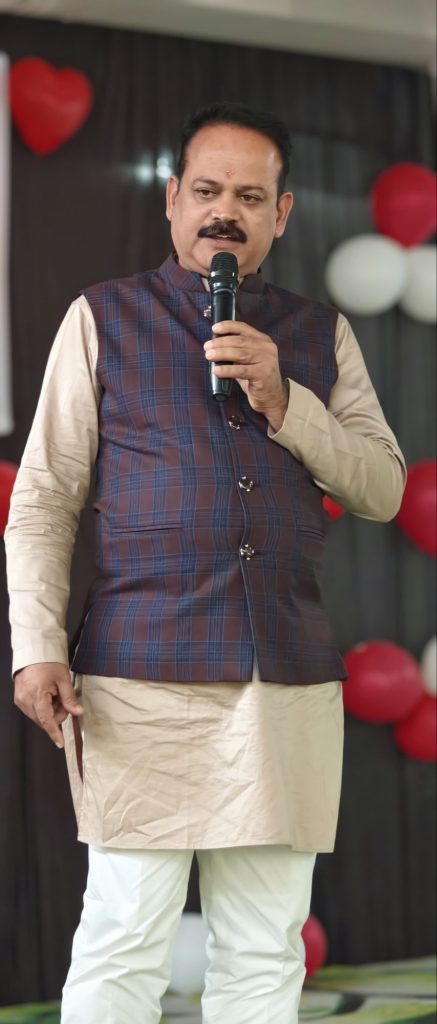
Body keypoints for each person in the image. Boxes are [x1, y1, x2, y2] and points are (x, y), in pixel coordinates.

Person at [5, 101, 406, 1024]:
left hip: (285, 682)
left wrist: (285, 399)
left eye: (250, 197)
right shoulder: (101, 317)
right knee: (124, 938)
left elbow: (383, 486)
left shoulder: (317, 333)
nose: (225, 212)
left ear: (281, 213)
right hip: (138, 678)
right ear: (173, 199)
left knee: (264, 948)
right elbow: (45, 495)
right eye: (208, 190)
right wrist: (36, 646)